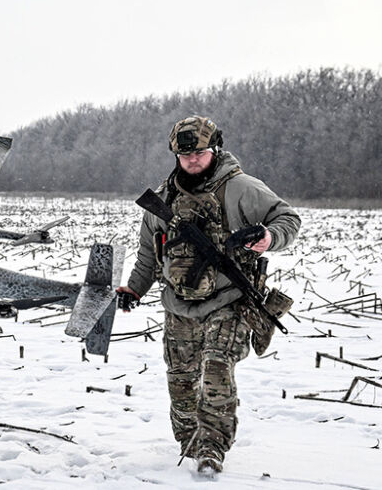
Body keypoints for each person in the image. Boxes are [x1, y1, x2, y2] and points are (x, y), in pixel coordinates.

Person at [116, 116, 300, 475]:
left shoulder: (241, 188)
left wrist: (267, 237)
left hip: (228, 301)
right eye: (184, 155)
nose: (192, 160)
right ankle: (190, 443)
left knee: (217, 369)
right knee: (181, 382)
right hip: (178, 303)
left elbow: (287, 219)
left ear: (214, 148)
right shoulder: (164, 199)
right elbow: (149, 255)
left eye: (199, 152)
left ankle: (213, 448)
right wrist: (134, 289)